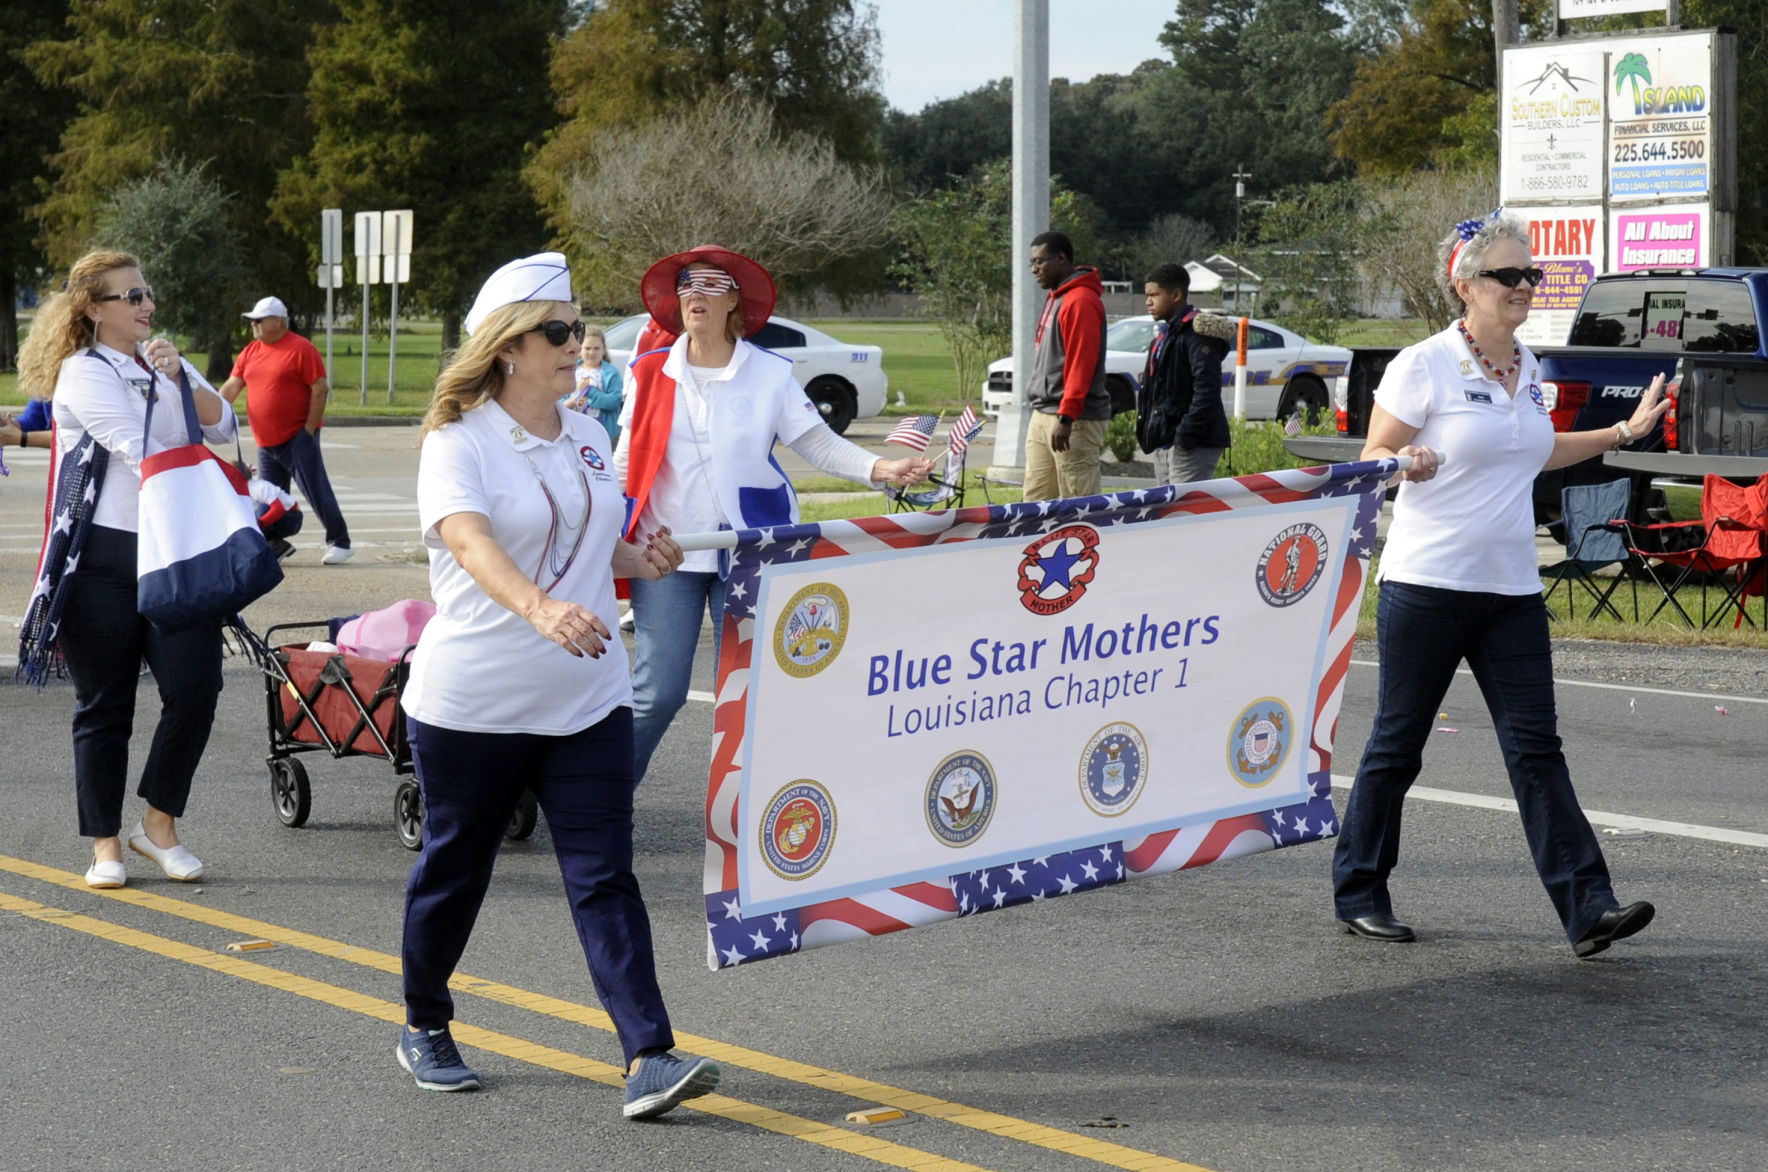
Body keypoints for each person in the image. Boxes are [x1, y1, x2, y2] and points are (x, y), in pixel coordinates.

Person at [396, 252, 719, 1118]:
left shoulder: (584, 432)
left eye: (576, 327)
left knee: (604, 872)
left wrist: (635, 556)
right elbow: (470, 544)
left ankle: (649, 1053)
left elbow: (582, 538)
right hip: (476, 704)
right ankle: (424, 1021)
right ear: (507, 348)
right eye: (558, 331)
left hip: (586, 698)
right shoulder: (455, 445)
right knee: (456, 868)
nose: (577, 343)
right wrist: (539, 608)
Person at [1332, 208, 1668, 958]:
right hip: (1427, 585)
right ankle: (1359, 889)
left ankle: (1590, 909)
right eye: (1507, 275)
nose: (1524, 286)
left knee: (1536, 747)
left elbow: (1535, 452)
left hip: (1512, 590)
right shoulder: (1422, 365)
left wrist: (1621, 434)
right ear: (1465, 286)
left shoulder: (1530, 368)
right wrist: (1402, 463)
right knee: (1398, 744)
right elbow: (1373, 457)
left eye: (1531, 275)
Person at [614, 244, 933, 784]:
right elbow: (623, 464)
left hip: (751, 550)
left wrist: (882, 468)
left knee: (749, 695)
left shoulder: (768, 372)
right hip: (664, 550)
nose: (696, 295)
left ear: (733, 300)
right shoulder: (648, 372)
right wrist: (597, 530)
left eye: (712, 285)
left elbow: (818, 443)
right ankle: (600, 800)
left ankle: (749, 819)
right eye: (688, 284)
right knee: (656, 693)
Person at [15, 250, 238, 888]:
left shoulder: (162, 360)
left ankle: (158, 826)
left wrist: (180, 379)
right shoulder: (82, 372)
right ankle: (106, 845)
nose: (147, 306)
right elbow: (139, 449)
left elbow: (224, 428)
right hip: (104, 556)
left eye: (147, 294)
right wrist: (171, 411)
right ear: (94, 308)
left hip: (173, 551)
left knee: (195, 690)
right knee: (104, 703)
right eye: (131, 296)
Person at [218, 296, 352, 565]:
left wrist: (309, 429)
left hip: (297, 437)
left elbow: (319, 387)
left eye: (258, 321)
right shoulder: (250, 351)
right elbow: (232, 387)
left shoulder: (301, 349)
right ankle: (274, 544)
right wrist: (211, 412)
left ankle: (340, 542)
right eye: (252, 321)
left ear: (277, 321)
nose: (253, 326)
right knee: (269, 498)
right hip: (266, 441)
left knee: (315, 489)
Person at [1022, 230, 1108, 502]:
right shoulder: (1057, 296)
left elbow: (1081, 364)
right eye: (1031, 263)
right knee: (1034, 504)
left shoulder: (1080, 299)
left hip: (1073, 420)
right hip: (1044, 413)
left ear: (1061, 258)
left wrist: (1067, 416)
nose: (1035, 269)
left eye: (1040, 261)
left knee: (1078, 504)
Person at [1138, 263, 1233, 486]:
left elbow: (1206, 390)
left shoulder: (1197, 334)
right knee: (1168, 514)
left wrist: (1185, 437)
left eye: (1154, 295)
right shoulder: (1165, 336)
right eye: (1147, 295)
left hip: (1193, 444)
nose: (1148, 302)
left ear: (1176, 295)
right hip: (1167, 441)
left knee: (1184, 512)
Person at [565, 322, 624, 443]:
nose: (591, 352)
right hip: (574, 429)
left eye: (596, 348)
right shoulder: (570, 369)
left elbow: (614, 401)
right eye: (587, 348)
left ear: (603, 350)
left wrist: (590, 392)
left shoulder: (611, 373)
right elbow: (559, 395)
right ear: (580, 349)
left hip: (603, 432)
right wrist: (565, 404)